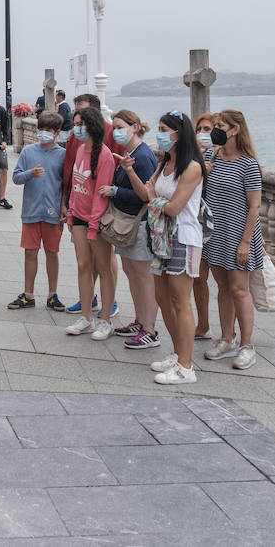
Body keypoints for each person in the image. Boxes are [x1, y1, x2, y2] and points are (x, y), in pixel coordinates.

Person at [120, 111, 205, 385]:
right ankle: (178, 353)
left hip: (183, 237)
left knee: (181, 301)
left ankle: (186, 366)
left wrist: (154, 196)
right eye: (158, 128)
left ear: (179, 134)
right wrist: (130, 171)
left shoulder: (191, 167)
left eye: (164, 128)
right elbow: (147, 194)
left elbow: (174, 207)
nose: (159, 133)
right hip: (161, 237)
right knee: (162, 297)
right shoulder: (164, 162)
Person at [201, 109, 265, 371]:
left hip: (238, 234)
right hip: (214, 233)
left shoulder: (248, 164)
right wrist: (203, 172)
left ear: (236, 129)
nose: (216, 129)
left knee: (240, 289)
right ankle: (227, 337)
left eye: (221, 125)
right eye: (214, 125)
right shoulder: (210, 156)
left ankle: (247, 346)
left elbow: (254, 206)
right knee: (223, 287)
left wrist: (246, 242)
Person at [103, 110, 160, 349]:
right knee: (131, 272)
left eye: (120, 126)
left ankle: (150, 329)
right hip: (127, 223)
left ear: (134, 127)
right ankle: (139, 320)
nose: (116, 131)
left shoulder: (143, 157)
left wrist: (115, 191)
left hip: (141, 223)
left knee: (144, 276)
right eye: (114, 127)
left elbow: (147, 194)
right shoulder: (129, 152)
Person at [61, 94, 120, 316]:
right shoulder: (78, 149)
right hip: (78, 217)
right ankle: (86, 315)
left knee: (104, 268)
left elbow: (101, 193)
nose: (77, 129)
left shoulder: (104, 154)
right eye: (75, 125)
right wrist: (69, 209)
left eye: (81, 124)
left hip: (97, 220)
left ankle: (106, 315)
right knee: (83, 265)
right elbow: (75, 181)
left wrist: (94, 223)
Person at [9, 112, 66, 311]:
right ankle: (28, 294)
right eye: (40, 129)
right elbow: (16, 178)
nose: (43, 133)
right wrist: (30, 174)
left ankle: (53, 294)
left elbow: (66, 185)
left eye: (48, 130)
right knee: (30, 253)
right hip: (31, 211)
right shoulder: (28, 152)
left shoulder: (63, 155)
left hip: (53, 213)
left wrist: (64, 207)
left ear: (57, 133)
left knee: (52, 253)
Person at [191, 112, 217, 339]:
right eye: (199, 129)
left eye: (207, 130)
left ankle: (232, 332)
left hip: (221, 225)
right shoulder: (194, 157)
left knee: (227, 282)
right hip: (199, 223)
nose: (202, 134)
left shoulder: (224, 158)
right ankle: (203, 325)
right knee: (198, 278)